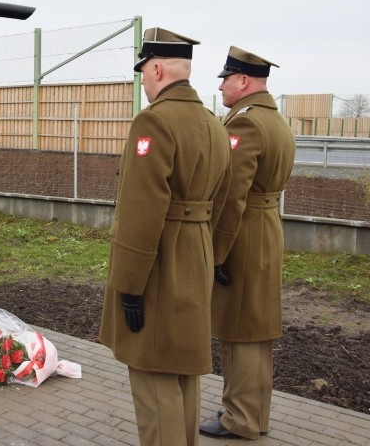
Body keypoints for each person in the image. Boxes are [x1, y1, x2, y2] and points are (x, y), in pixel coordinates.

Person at [99, 27, 231, 446]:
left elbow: (141, 211)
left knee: (154, 376)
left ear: (156, 68)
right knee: (183, 373)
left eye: (143, 72)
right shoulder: (214, 124)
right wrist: (213, 254)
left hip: (158, 262)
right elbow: (225, 202)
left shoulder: (153, 121)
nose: (143, 81)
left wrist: (130, 286)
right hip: (197, 253)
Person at [199, 46, 296, 440]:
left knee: (240, 331)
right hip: (266, 229)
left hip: (243, 235)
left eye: (225, 79)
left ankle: (239, 418)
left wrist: (217, 253)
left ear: (242, 81)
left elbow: (230, 194)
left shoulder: (244, 124)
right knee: (255, 328)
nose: (220, 87)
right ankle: (252, 413)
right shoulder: (274, 120)